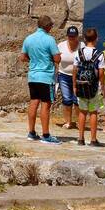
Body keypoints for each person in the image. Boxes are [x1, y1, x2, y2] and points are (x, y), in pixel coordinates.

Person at [20, 14, 62, 144]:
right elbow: (57, 59)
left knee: (33, 103)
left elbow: (22, 57)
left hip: (33, 75)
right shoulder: (50, 40)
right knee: (45, 105)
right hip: (45, 76)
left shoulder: (28, 39)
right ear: (48, 26)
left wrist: (34, 60)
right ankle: (45, 135)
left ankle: (31, 132)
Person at [74, 28, 105, 146]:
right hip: (93, 87)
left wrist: (74, 85)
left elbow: (75, 69)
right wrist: (102, 87)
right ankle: (93, 139)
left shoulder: (79, 52)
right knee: (93, 112)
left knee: (82, 112)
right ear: (96, 39)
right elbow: (101, 73)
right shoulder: (99, 54)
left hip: (80, 86)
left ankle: (80, 139)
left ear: (84, 39)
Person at [55, 25, 82, 131]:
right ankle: (68, 122)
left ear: (77, 36)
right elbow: (56, 58)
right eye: (70, 36)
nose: (72, 38)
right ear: (67, 36)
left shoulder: (82, 46)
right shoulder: (61, 46)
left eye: (74, 36)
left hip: (78, 77)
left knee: (77, 100)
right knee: (67, 99)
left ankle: (80, 122)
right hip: (64, 75)